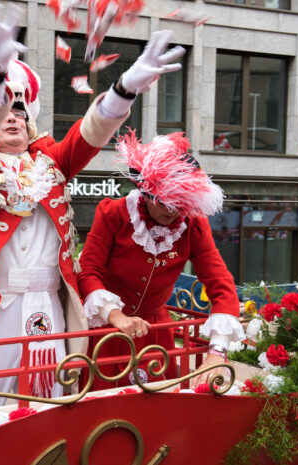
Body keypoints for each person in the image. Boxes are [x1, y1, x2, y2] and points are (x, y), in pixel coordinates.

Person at [0, 3, 185, 410]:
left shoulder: (52, 162)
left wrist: (125, 89)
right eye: (3, 111)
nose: (11, 117)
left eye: (19, 110)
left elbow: (87, 136)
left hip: (48, 304)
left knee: (49, 399)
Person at [77, 131, 245, 390]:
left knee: (158, 410)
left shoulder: (194, 226)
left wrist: (217, 352)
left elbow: (220, 282)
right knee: (100, 410)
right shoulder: (113, 213)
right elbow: (88, 271)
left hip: (156, 336)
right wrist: (116, 316)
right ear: (144, 190)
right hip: (106, 331)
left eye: (181, 201)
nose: (171, 210)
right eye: (165, 200)